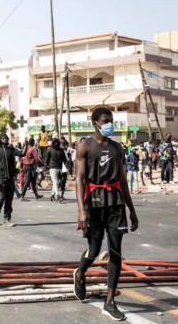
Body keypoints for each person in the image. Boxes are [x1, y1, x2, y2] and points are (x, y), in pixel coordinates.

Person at [73, 107, 138, 321]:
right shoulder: (85, 146)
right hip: (93, 203)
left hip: (115, 202)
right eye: (105, 120)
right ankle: (81, 273)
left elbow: (122, 179)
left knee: (115, 251)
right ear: (95, 123)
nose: (109, 123)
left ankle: (110, 302)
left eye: (111, 120)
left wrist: (132, 210)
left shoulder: (117, 147)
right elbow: (80, 179)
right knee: (93, 250)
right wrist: (82, 210)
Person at [0, 133, 27, 227]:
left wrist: (26, 145)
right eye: (3, 138)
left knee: (9, 199)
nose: (5, 140)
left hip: (10, 178)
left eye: (6, 138)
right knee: (1, 197)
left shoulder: (11, 150)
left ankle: (7, 218)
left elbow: (22, 153)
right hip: (0, 178)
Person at [45, 138, 68, 202]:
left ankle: (52, 195)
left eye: (57, 142)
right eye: (55, 142)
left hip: (60, 168)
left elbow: (64, 159)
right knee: (55, 181)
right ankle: (58, 195)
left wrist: (67, 167)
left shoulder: (61, 150)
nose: (56, 143)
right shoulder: (49, 150)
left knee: (58, 182)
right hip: (52, 168)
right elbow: (46, 160)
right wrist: (45, 168)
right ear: (52, 143)